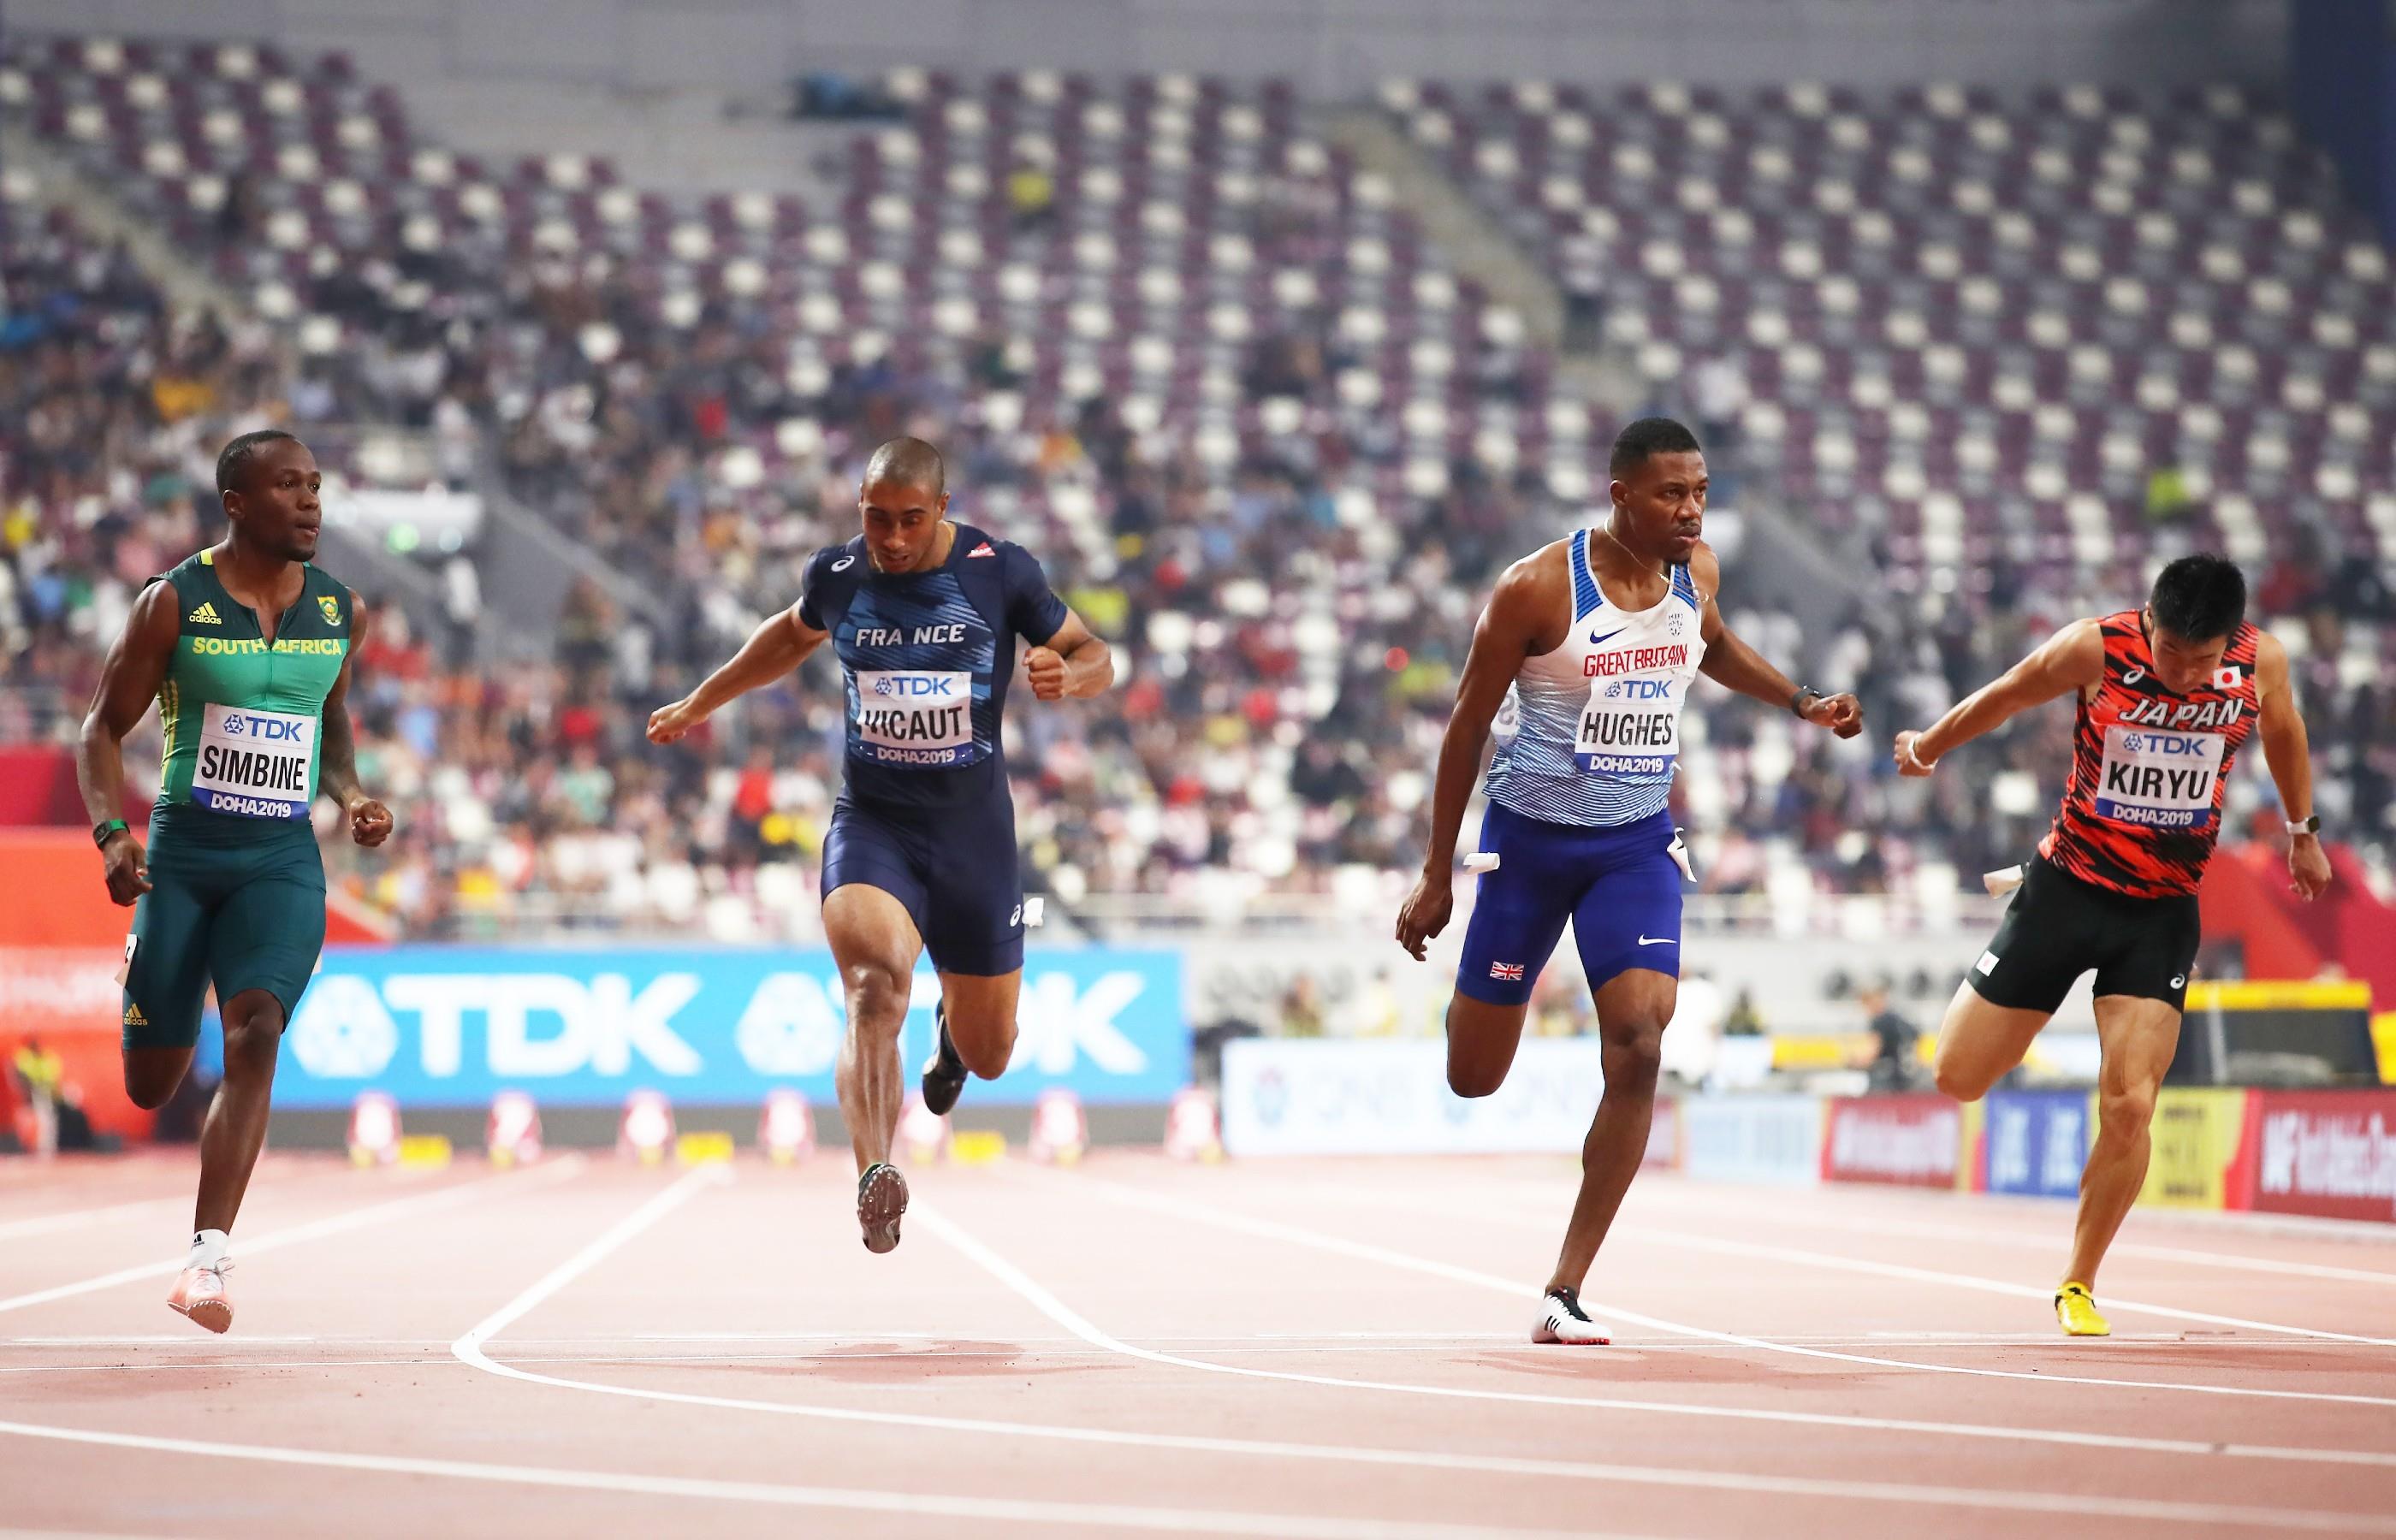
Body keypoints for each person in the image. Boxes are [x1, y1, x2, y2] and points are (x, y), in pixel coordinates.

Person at [1395, 417, 1863, 1345]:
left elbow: (1713, 646)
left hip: (1634, 844)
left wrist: (1800, 700)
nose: (1691, 510)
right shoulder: (1535, 590)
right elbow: (1462, 728)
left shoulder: (1698, 573)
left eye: (1698, 492)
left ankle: (1563, 1289)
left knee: (1642, 1041)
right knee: (1473, 1076)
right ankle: (1487, 995)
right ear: (1619, 496)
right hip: (1526, 847)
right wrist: (1434, 873)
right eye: (1670, 494)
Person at [649, 437, 1112, 1252]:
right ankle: (875, 1172)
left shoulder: (1000, 570)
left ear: (941, 509)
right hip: (875, 827)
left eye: (908, 521)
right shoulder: (839, 575)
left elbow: (1095, 654)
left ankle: (952, 1039)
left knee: (992, 1052)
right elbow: (787, 639)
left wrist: (1065, 678)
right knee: (871, 988)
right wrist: (699, 702)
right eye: (874, 520)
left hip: (976, 841)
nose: (890, 540)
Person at [1894, 553, 2329, 1336]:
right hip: (2065, 892)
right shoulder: (2095, 647)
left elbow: (2288, 734)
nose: (2189, 677)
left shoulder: (2259, 659)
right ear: (2150, 621)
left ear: (2229, 641)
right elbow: (2004, 696)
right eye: (2172, 656)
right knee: (1957, 1077)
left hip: (2160, 914)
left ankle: (2078, 1282)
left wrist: (2303, 833)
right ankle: (2020, 948)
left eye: (2204, 662)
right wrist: (1928, 746)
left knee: (2130, 1101)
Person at [77, 429, 394, 1334]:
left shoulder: (341, 612)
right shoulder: (173, 604)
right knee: (151, 1081)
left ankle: (206, 1259)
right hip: (181, 859)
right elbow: (100, 730)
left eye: (316, 486)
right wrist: (110, 836)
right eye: (287, 486)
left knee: (257, 1033)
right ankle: (147, 967)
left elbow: (329, 722)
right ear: (237, 503)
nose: (309, 502)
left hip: (280, 859)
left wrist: (351, 793)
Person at [1859, 983, 1919, 1093]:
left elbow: (1872, 1054)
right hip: (1908, 1079)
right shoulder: (1898, 1019)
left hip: (1888, 1081)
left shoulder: (1879, 1021)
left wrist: (1854, 1062)